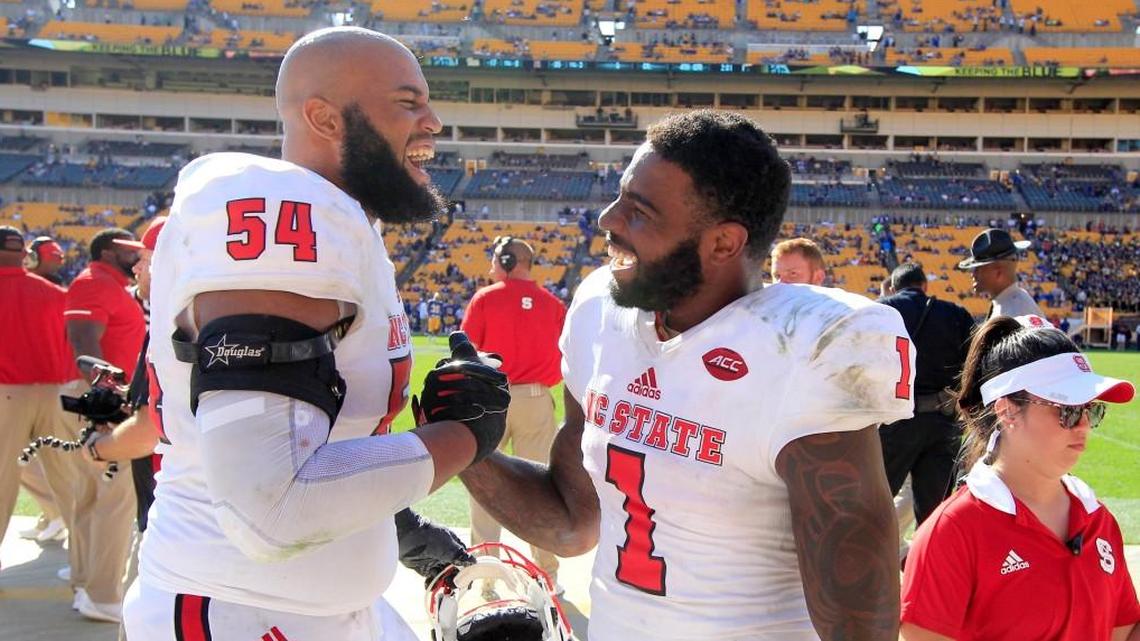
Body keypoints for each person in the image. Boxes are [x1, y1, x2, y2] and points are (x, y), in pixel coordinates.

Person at [461, 110, 913, 640]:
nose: (608, 219)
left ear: (723, 244)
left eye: (640, 211)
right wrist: (465, 444)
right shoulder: (598, 313)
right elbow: (571, 520)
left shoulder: (802, 344)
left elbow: (858, 610)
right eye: (620, 196)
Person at [125, 27, 511, 640]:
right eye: (408, 103)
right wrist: (460, 438)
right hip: (240, 609)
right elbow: (272, 507)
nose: (434, 122)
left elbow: (303, 449)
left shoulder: (336, 221)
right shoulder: (286, 211)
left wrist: (398, 522)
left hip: (312, 602)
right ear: (324, 118)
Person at [900, 316, 1140, 641]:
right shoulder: (953, 532)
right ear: (1007, 411)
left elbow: (1122, 632)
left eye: (1090, 409)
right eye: (1066, 410)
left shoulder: (1098, 520)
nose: (1083, 424)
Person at [461, 235, 567, 590]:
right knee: (541, 489)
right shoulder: (552, 304)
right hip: (536, 400)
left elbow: (466, 354)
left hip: (491, 398)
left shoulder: (485, 299)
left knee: (485, 486)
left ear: (507, 260)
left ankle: (486, 573)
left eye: (495, 258)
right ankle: (547, 577)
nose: (492, 266)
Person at [63, 227, 147, 623]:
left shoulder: (109, 284)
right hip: (104, 398)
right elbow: (82, 341)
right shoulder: (94, 282)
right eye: (131, 250)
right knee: (114, 497)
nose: (138, 257)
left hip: (104, 395)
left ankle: (86, 581)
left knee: (93, 495)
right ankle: (102, 592)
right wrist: (106, 394)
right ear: (110, 252)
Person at [0, 227, 81, 570]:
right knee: (70, 479)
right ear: (24, 254)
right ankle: (86, 560)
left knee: (3, 479)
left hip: (6, 394)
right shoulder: (55, 293)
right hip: (54, 391)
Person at [877, 264, 976, 528]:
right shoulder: (955, 313)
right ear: (925, 286)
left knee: (876, 504)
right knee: (935, 514)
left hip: (895, 419)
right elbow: (973, 367)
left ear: (894, 288)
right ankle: (928, 566)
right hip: (943, 421)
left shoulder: (882, 310)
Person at [958, 228, 1044, 319]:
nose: (973, 274)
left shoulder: (1014, 313)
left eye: (978, 269)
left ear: (998, 273)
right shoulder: (1011, 303)